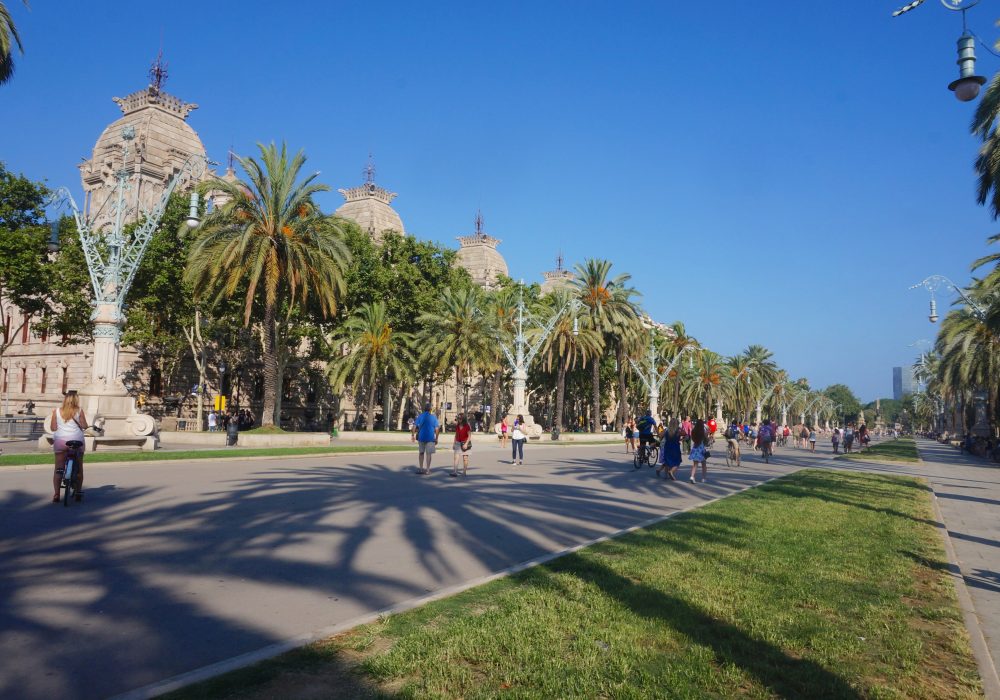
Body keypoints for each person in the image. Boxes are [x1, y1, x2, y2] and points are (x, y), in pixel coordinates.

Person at [50, 390, 89, 503]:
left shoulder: (56, 411)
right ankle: (78, 492)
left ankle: (57, 494)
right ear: (76, 400)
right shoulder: (79, 411)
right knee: (79, 469)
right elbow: (85, 425)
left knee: (58, 469)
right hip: (77, 441)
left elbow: (53, 428)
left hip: (61, 441)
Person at [411, 403, 440, 475]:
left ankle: (421, 469)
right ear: (430, 409)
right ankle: (427, 470)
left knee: (421, 453)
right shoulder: (433, 417)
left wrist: (413, 435)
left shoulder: (420, 416)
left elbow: (414, 426)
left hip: (421, 437)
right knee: (428, 454)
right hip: (430, 438)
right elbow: (437, 429)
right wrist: (436, 438)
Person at [687, 418, 709, 483]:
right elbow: (706, 440)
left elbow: (693, 439)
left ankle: (692, 476)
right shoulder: (703, 432)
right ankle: (703, 478)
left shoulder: (693, 431)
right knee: (704, 464)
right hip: (701, 448)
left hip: (695, 447)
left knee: (695, 464)